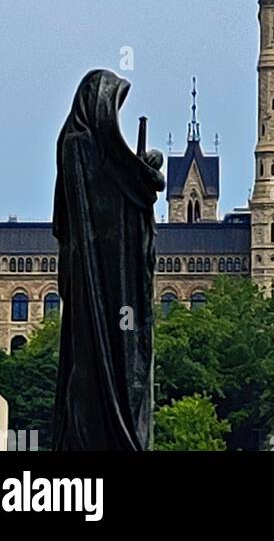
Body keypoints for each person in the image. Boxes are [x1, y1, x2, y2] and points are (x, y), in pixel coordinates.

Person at [52, 69, 165, 451]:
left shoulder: (88, 147)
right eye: (113, 105)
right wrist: (141, 177)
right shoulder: (78, 145)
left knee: (127, 350)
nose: (114, 116)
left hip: (113, 278)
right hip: (94, 280)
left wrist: (141, 176)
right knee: (96, 359)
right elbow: (108, 194)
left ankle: (123, 427)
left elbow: (121, 192)